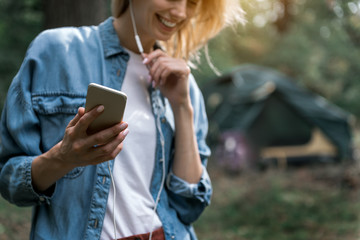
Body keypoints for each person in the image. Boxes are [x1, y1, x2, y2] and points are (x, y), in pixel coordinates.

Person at [0, 0, 244, 239]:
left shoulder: (184, 84)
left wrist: (182, 106)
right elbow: (9, 180)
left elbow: (189, 205)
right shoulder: (56, 51)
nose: (180, 11)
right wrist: (62, 158)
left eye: (192, 2)